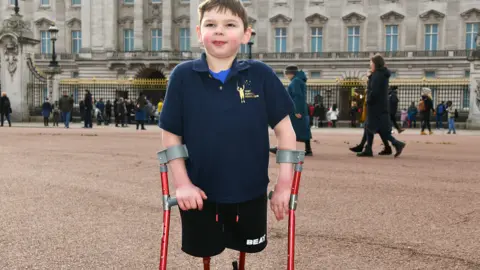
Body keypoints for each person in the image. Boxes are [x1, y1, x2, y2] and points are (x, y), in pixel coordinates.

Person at [159, 0, 297, 263]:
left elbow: (286, 131)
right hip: (199, 191)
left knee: (247, 248)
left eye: (230, 25)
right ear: (199, 33)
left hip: (251, 189)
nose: (219, 31)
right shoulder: (182, 76)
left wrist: (283, 185)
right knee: (205, 252)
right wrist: (183, 184)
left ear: (246, 34)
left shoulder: (260, 74)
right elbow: (170, 134)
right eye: (211, 24)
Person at [357, 54, 406, 158]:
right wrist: (370, 77)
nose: (370, 64)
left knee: (373, 127)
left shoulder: (377, 75)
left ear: (375, 63)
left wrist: (368, 98)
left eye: (371, 62)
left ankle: (397, 144)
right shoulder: (381, 74)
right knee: (372, 127)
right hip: (380, 106)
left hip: (375, 106)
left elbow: (373, 91)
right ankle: (369, 149)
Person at [270, 65, 312, 156]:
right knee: (302, 130)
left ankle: (280, 148)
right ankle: (308, 150)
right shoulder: (299, 80)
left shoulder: (295, 81)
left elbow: (298, 97)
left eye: (287, 74)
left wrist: (296, 111)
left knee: (286, 129)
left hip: (295, 110)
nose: (286, 76)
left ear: (290, 73)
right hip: (300, 109)